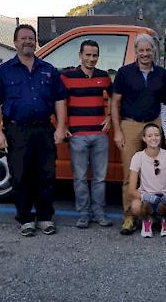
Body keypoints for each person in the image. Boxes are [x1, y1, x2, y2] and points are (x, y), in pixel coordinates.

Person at [0, 24, 68, 237]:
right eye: (23, 38)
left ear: (35, 42)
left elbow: (60, 99)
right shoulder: (4, 71)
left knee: (46, 175)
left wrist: (60, 127)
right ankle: (25, 218)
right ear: (15, 42)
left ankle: (44, 217)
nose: (27, 42)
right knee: (21, 176)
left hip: (44, 130)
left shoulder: (48, 69)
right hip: (17, 130)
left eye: (31, 38)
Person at [111, 34, 166, 235]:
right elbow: (115, 102)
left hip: (154, 125)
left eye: (148, 50)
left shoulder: (161, 74)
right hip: (130, 125)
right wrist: (117, 130)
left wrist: (163, 129)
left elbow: (164, 104)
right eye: (141, 50)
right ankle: (129, 216)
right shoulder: (124, 73)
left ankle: (151, 214)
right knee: (130, 174)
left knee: (155, 172)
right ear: (136, 51)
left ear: (153, 51)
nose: (145, 54)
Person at [60, 40, 113, 229]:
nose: (91, 59)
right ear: (80, 55)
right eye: (88, 55)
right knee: (80, 178)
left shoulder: (104, 76)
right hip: (77, 136)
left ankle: (99, 214)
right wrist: (63, 125)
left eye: (95, 55)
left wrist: (110, 117)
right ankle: (83, 215)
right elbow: (59, 101)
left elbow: (115, 98)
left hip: (99, 135)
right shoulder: (67, 77)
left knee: (100, 178)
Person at [128, 123, 166, 238]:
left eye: (157, 135)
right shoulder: (138, 156)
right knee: (135, 205)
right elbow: (131, 189)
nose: (154, 138)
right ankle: (147, 220)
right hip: (147, 195)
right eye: (149, 136)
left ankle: (165, 219)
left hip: (164, 195)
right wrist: (146, 196)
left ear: (161, 137)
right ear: (144, 138)